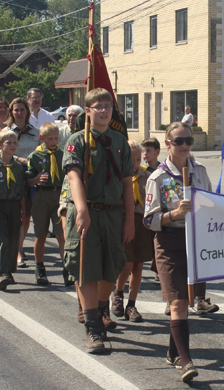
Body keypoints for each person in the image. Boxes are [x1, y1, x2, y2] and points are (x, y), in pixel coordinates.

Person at [62, 88, 134, 354]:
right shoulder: (77, 141)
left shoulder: (120, 142)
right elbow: (74, 177)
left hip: (113, 214)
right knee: (86, 269)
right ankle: (93, 328)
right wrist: (81, 209)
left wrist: (129, 220)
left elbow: (127, 183)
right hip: (87, 212)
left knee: (111, 267)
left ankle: (101, 307)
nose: (104, 111)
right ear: (88, 112)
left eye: (108, 106)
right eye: (98, 107)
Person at [144, 122, 209, 382]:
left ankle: (173, 352)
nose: (184, 146)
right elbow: (149, 220)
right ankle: (186, 361)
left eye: (188, 141)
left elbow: (213, 204)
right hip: (169, 241)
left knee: (187, 300)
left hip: (196, 241)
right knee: (178, 301)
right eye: (178, 141)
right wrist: (175, 214)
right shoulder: (157, 178)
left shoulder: (200, 172)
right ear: (168, 144)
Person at [111, 140, 153, 322]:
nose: (135, 164)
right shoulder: (118, 176)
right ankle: (118, 293)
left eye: (138, 159)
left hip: (142, 223)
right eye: (131, 160)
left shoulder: (148, 176)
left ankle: (132, 304)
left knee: (138, 265)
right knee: (126, 263)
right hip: (124, 221)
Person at [25, 123, 65, 286]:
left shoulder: (63, 154)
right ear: (42, 138)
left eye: (56, 138)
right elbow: (27, 180)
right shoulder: (35, 156)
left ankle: (66, 268)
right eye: (50, 139)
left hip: (59, 195)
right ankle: (40, 268)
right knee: (40, 235)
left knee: (61, 235)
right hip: (41, 195)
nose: (54, 141)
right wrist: (36, 180)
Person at [4, 98, 41, 268]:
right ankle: (17, 252)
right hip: (12, 179)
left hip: (31, 179)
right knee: (16, 216)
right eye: (16, 110)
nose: (19, 113)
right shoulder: (5, 132)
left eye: (22, 109)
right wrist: (18, 159)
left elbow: (42, 151)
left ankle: (19, 246)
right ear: (11, 112)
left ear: (27, 112)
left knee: (26, 217)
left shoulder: (36, 131)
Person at [0, 130, 25, 290]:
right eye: (8, 142)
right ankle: (2, 272)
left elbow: (22, 192)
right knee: (1, 240)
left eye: (14, 142)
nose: (12, 145)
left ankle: (10, 270)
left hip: (14, 206)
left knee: (12, 239)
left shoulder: (18, 167)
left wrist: (23, 212)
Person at [141, 137, 161, 283]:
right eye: (143, 151)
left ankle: (159, 270)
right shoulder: (141, 171)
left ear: (157, 152)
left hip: (158, 211)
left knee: (158, 241)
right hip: (143, 211)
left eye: (148, 150)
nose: (145, 154)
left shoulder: (162, 170)